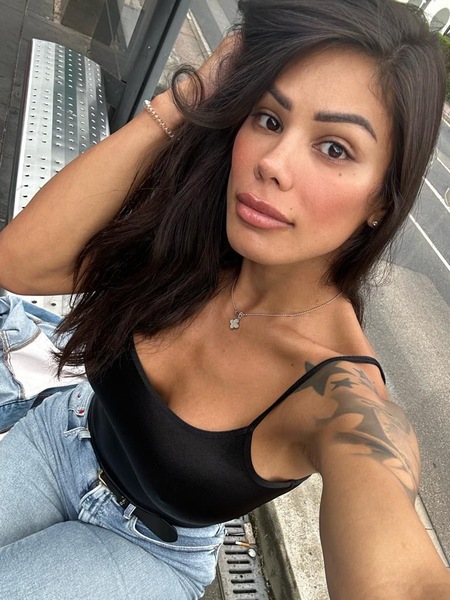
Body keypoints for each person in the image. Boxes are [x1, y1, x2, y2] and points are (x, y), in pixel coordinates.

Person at [0, 0, 448, 598]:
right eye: (268, 118)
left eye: (335, 148)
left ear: (381, 202)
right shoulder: (190, 238)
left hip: (150, 549)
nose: (273, 163)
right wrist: (190, 98)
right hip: (62, 435)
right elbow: (20, 262)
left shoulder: (340, 397)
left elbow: (397, 560)